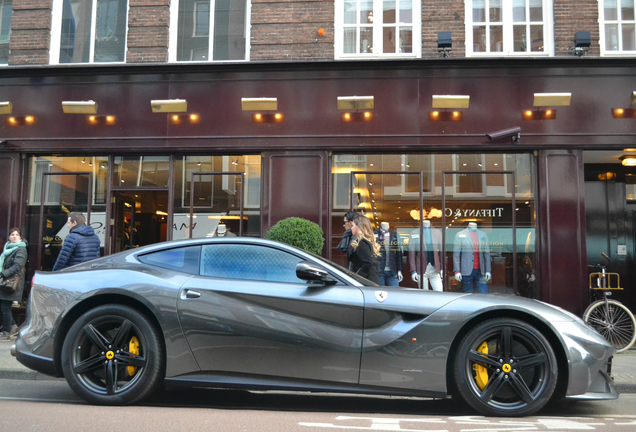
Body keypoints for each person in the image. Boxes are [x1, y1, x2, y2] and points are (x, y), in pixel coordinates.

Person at [0, 228, 28, 341]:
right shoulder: (8, 248)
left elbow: (18, 266)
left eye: (17, 235)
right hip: (6, 282)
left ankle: (6, 331)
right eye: (12, 235)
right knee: (2, 305)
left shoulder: (21, 249)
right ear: (9, 237)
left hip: (12, 283)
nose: (15, 236)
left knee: (5, 307)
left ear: (20, 237)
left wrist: (3, 274)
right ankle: (13, 327)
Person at [453, 222, 491, 293]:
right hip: (466, 270)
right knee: (468, 295)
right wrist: (457, 271)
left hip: (480, 271)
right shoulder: (460, 234)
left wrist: (488, 270)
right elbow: (456, 254)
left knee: (484, 293)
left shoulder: (483, 235)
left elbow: (486, 253)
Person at [348, 215, 380, 284]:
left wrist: (357, 277)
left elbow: (368, 263)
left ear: (358, 227)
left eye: (352, 226)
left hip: (366, 282)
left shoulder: (361, 243)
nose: (351, 229)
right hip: (370, 280)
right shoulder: (364, 241)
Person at [374, 221, 403, 286]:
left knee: (396, 293)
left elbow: (399, 254)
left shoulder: (395, 235)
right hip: (379, 270)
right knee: (380, 293)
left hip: (392, 270)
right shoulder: (374, 234)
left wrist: (399, 270)